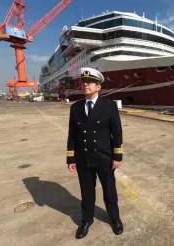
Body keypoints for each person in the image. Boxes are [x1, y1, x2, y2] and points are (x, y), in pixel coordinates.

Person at [66, 67, 124, 239]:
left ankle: (115, 218)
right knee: (86, 191)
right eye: (84, 82)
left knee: (109, 190)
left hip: (104, 157)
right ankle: (86, 220)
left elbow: (117, 132)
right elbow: (72, 134)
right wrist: (71, 157)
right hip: (83, 158)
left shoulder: (109, 106)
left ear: (98, 87)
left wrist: (117, 156)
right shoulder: (75, 108)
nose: (86, 85)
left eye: (90, 82)